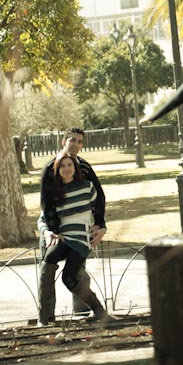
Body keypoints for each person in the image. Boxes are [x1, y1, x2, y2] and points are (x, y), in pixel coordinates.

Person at [37, 127, 106, 324]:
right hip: (55, 231)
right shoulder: (50, 168)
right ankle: (46, 317)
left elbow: (98, 198)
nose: (75, 144)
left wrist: (100, 225)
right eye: (72, 140)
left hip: (78, 233)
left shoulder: (84, 167)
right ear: (63, 141)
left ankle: (86, 311)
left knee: (76, 274)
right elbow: (46, 203)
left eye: (79, 141)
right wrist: (51, 231)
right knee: (47, 270)